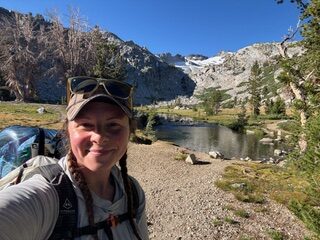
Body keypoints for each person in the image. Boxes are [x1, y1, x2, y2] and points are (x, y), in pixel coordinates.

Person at [0, 76, 149, 240]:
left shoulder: (133, 192)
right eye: (86, 124)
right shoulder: (47, 196)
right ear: (67, 131)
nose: (99, 137)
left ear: (130, 131)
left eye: (113, 125)